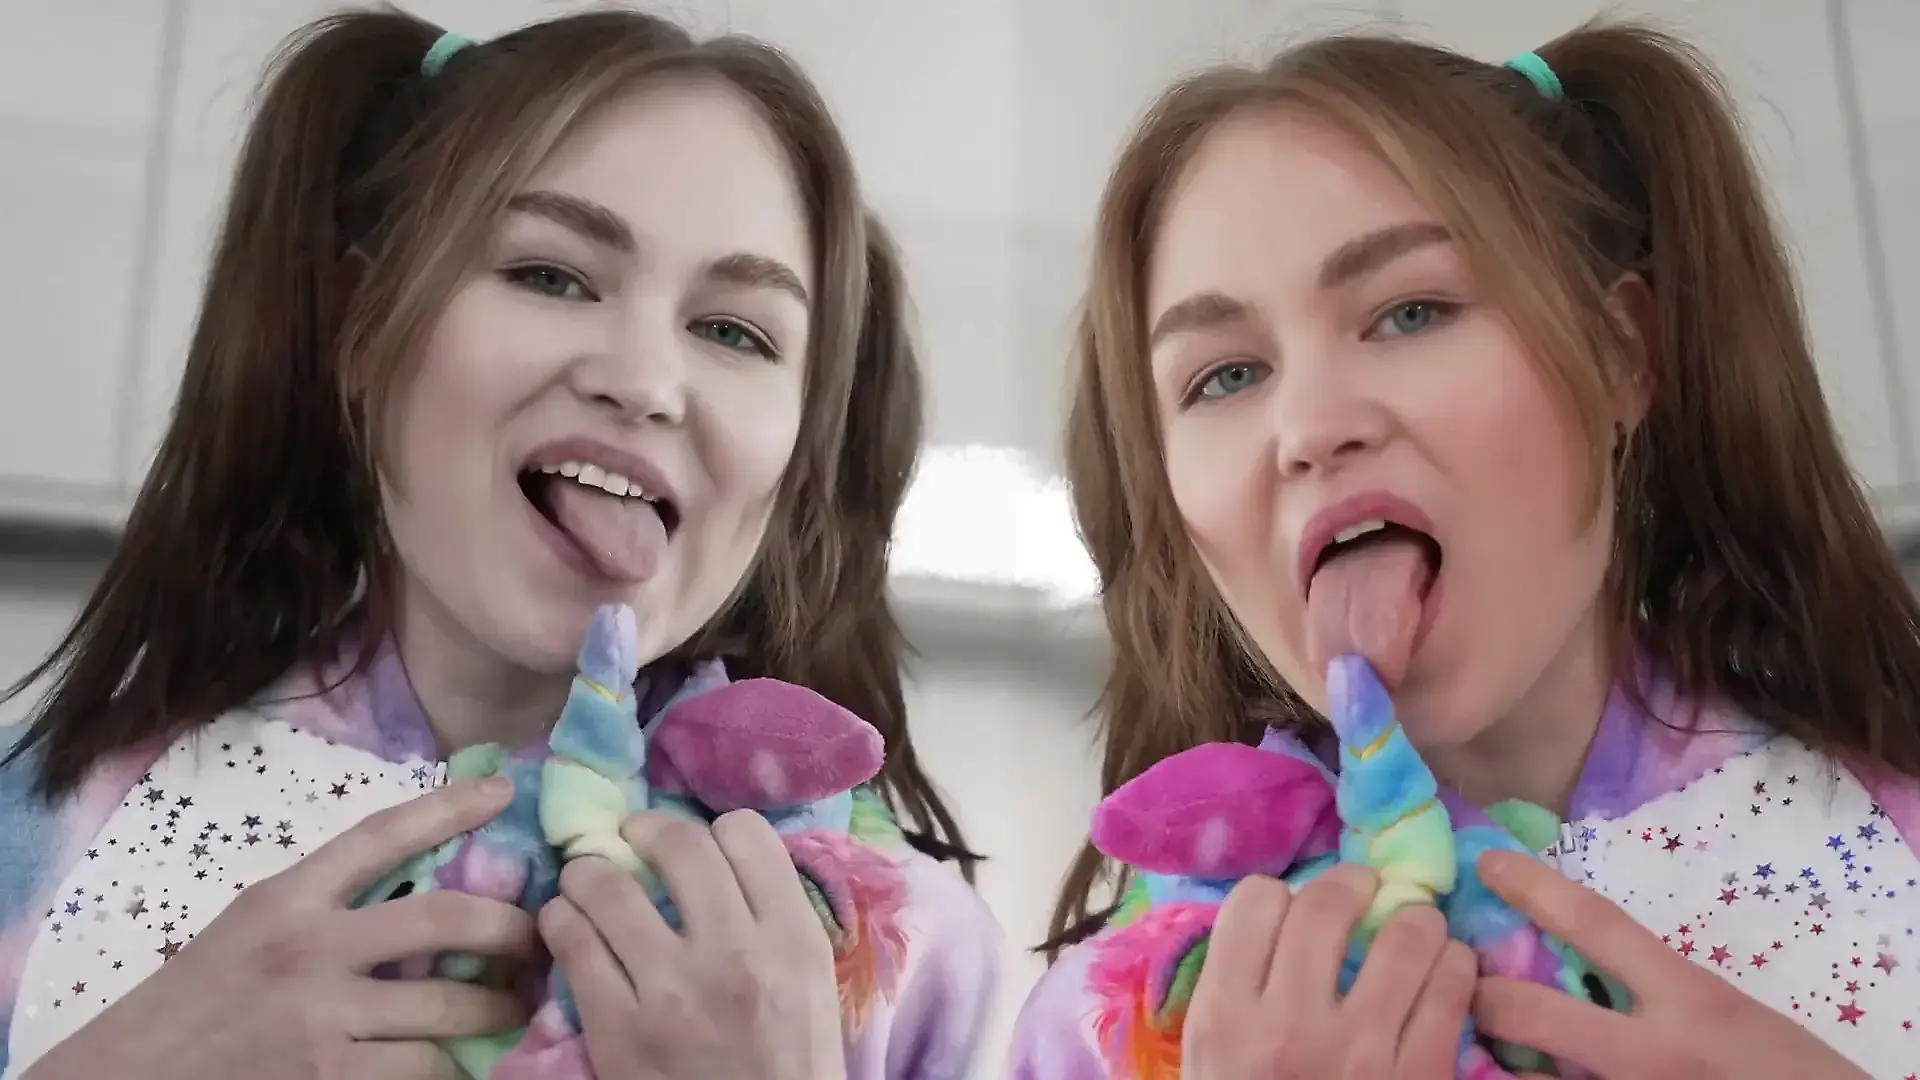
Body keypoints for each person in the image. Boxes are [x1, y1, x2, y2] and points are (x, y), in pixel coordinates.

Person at [0, 9, 1001, 1080]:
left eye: (734, 331)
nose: (645, 383)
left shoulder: (907, 951)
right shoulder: (47, 829)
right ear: (360, 326)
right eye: (551, 276)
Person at [1009, 19, 1919, 1080]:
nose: (1309, 430)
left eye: (1410, 312)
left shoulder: (1891, 845)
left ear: (1623, 354)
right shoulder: (1105, 1026)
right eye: (1225, 377)